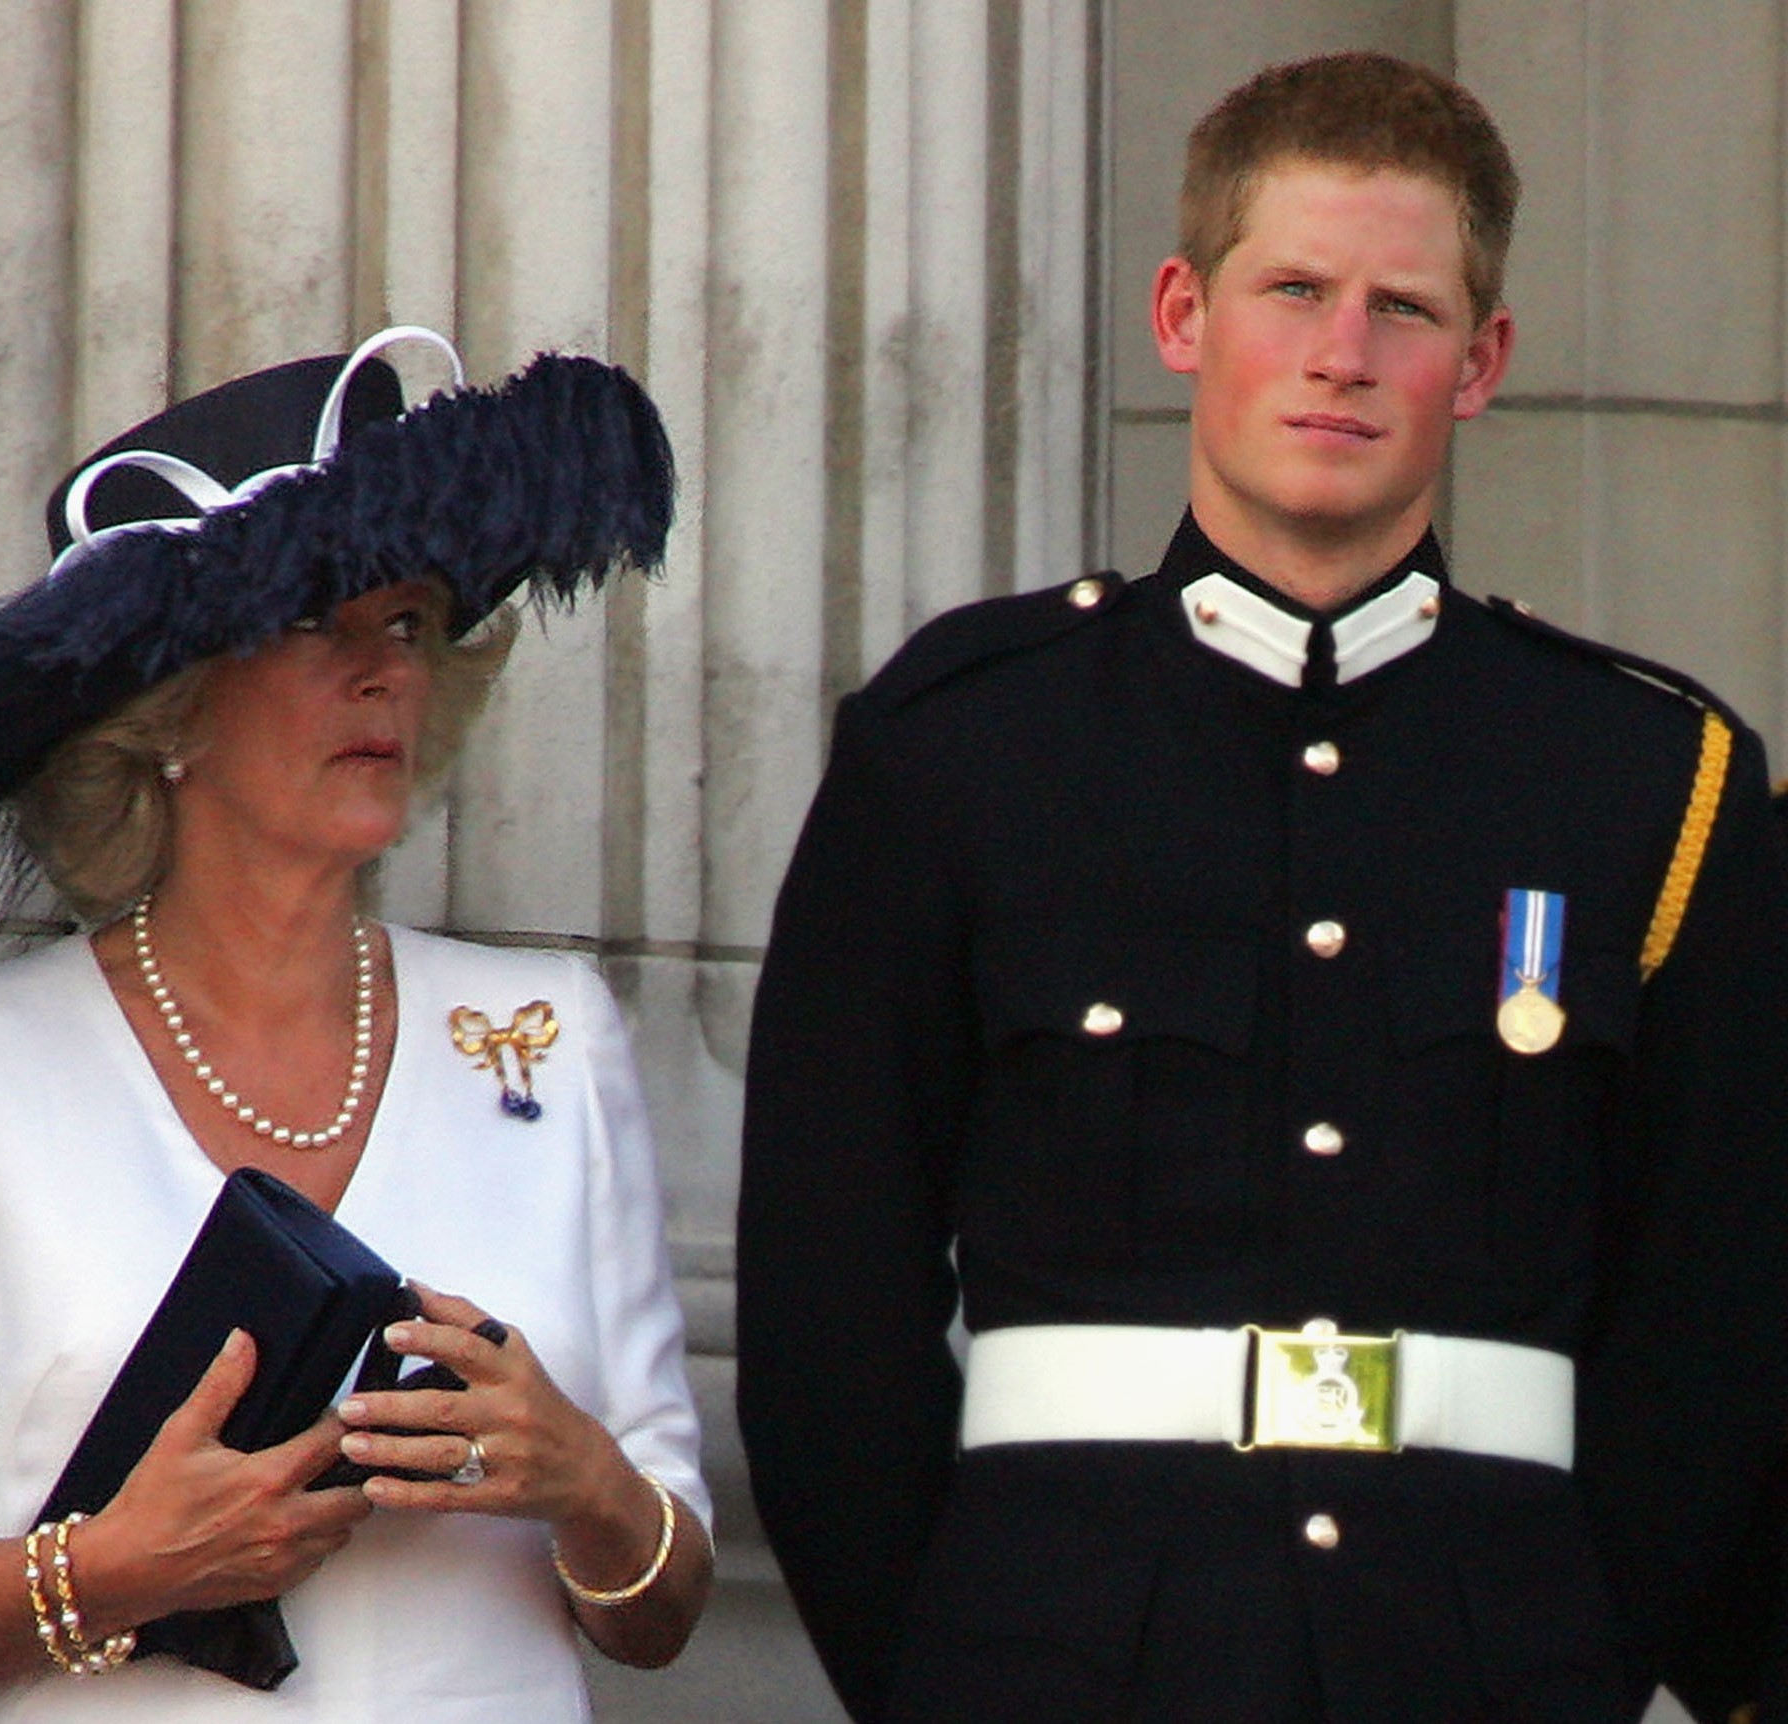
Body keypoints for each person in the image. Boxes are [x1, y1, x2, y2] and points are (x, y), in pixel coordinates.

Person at [737, 50, 1788, 1724]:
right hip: (1051, 1656)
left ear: (1482, 361)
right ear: (1180, 313)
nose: (1341, 354)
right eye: (1290, 287)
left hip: (1488, 1660)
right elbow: (825, 1312)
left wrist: (1583, 1657)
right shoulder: (963, 744)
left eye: (1403, 309)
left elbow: (1715, 1327)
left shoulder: (1648, 782)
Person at [0, 327, 711, 1721]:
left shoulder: (548, 1032)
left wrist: (583, 1479)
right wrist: (116, 1570)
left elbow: (663, 1603)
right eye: (319, 621)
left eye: (408, 625)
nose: (384, 673)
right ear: (169, 708)